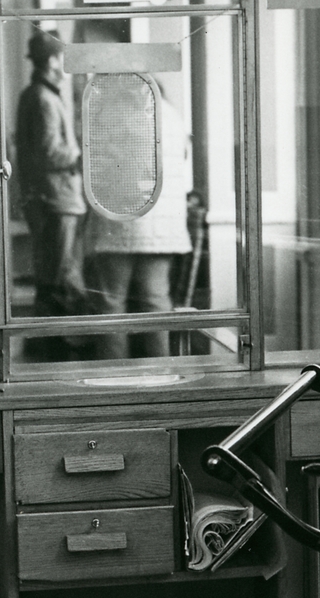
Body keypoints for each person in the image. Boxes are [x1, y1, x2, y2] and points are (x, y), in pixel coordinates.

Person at [84, 79, 192, 357]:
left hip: (120, 221)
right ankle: (160, 372)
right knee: (155, 302)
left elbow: (102, 166)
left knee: (111, 303)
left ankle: (114, 374)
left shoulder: (119, 114)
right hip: (164, 226)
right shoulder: (172, 116)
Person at [14, 31, 88, 321]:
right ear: (53, 61)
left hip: (55, 199)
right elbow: (50, 152)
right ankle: (58, 342)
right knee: (59, 281)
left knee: (56, 278)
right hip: (57, 200)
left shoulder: (39, 95)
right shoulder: (44, 98)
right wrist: (84, 155)